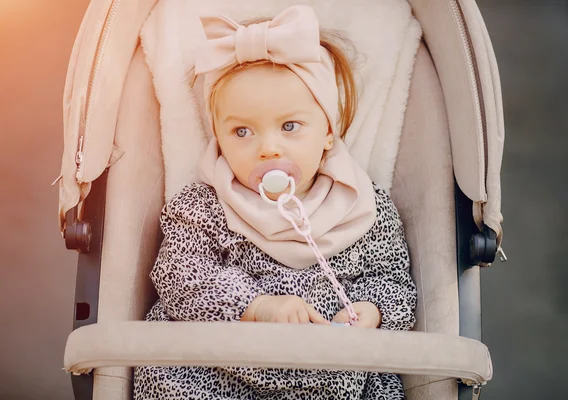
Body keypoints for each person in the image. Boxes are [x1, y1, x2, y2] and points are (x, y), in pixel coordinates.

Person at [134, 5, 417, 399]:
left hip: (330, 375)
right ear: (218, 137)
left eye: (289, 127)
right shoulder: (203, 205)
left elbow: (393, 282)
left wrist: (372, 311)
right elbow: (181, 277)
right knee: (168, 376)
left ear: (328, 134)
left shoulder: (365, 207)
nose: (267, 148)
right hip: (215, 371)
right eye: (242, 131)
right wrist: (254, 305)